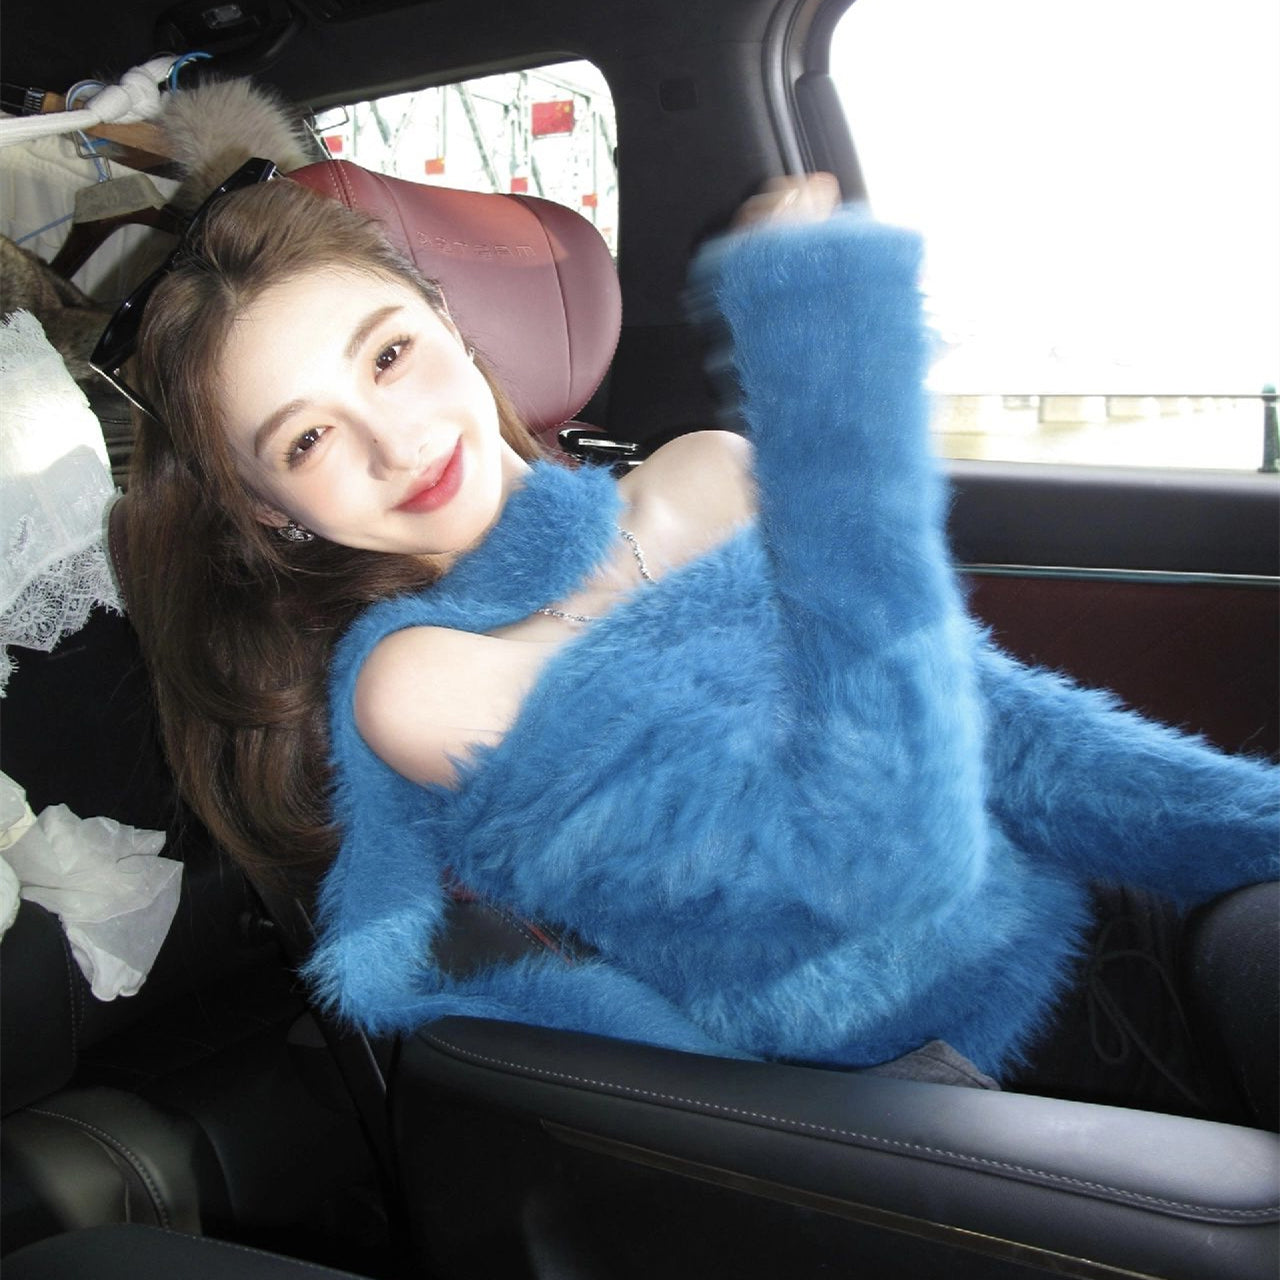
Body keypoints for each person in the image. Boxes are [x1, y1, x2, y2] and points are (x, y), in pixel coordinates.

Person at [108, 167, 1279, 1126]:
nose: (394, 440)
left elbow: (998, 722)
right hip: (959, 1080)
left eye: (387, 354)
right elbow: (864, 867)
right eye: (307, 440)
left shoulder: (704, 472)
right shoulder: (423, 684)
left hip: (1084, 927)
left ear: (449, 322)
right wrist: (824, 379)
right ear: (270, 511)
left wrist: (1243, 828)